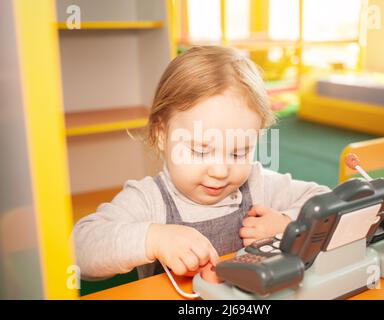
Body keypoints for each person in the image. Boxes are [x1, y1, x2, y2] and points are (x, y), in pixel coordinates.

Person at [73, 46, 330, 280]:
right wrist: (152, 238)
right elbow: (79, 250)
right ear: (162, 135)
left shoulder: (257, 184)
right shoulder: (149, 200)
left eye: (238, 153)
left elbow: (325, 200)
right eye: (199, 151)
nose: (220, 171)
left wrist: (287, 223)